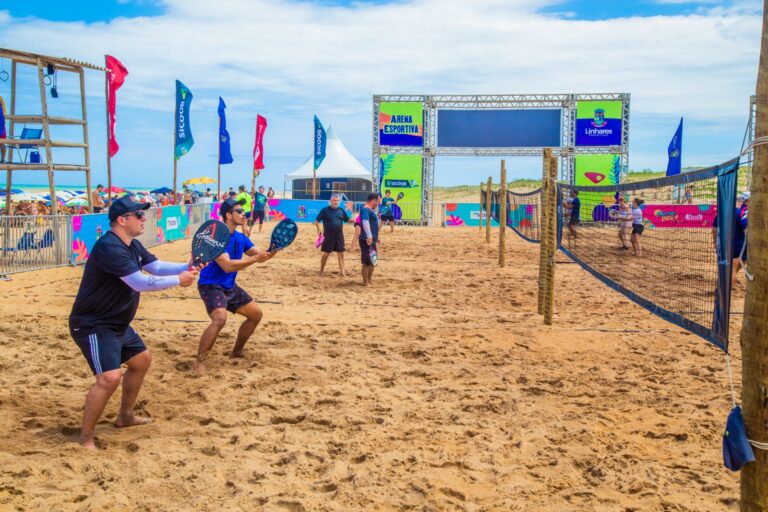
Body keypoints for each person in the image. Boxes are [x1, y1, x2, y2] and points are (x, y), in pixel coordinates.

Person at [68, 196, 200, 450]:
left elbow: (157, 267)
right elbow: (139, 282)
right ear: (122, 220)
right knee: (109, 378)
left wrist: (187, 266)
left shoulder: (132, 245)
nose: (144, 219)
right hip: (93, 324)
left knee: (141, 361)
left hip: (116, 322)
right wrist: (179, 280)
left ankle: (125, 416)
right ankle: (85, 438)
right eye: (139, 215)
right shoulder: (110, 247)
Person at [195, 198, 278, 373]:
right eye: (239, 212)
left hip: (229, 286)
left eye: (244, 212)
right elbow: (227, 265)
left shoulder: (240, 238)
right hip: (210, 285)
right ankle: (200, 362)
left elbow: (261, 256)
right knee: (220, 319)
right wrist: (255, 259)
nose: (244, 215)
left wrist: (276, 248)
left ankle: (237, 351)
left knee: (256, 314)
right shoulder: (214, 237)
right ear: (227, 215)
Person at [315, 194, 351, 276]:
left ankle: (342, 272)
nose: (336, 202)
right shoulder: (325, 210)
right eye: (334, 200)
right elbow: (317, 221)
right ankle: (321, 271)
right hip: (328, 236)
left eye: (337, 200)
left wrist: (351, 220)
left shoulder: (341, 210)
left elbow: (347, 219)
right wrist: (319, 231)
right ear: (330, 201)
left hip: (339, 236)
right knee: (326, 254)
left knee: (341, 253)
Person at [359, 193, 380, 287]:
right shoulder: (366, 209)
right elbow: (365, 222)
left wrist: (376, 237)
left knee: (373, 260)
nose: (378, 203)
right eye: (378, 201)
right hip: (366, 240)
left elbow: (372, 224)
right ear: (373, 200)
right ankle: (365, 282)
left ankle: (369, 279)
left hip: (372, 239)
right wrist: (369, 236)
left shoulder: (369, 210)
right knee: (367, 262)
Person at [0, 94, 7, 163]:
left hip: (1, 124)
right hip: (2, 124)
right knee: (2, 143)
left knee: (2, 143)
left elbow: (4, 111)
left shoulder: (0, 98)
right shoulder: (0, 98)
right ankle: (2, 160)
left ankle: (2, 160)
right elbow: (4, 111)